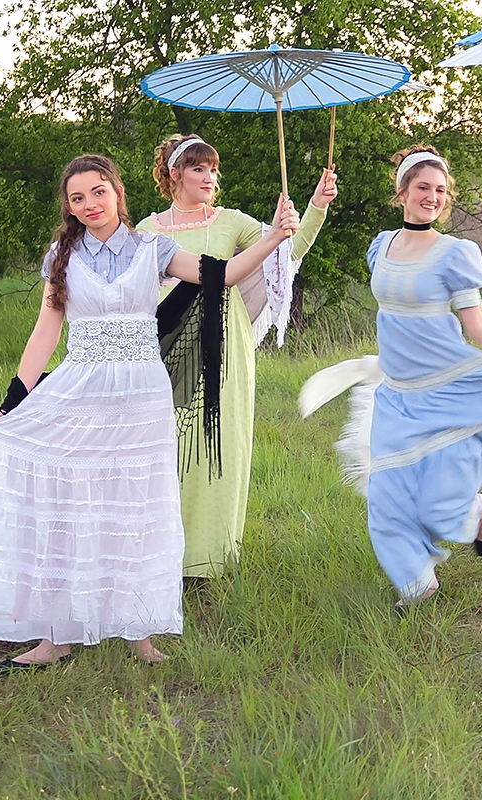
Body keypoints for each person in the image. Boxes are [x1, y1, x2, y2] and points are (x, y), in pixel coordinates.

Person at [0, 154, 299, 668]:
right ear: (69, 208)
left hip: (141, 393)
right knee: (70, 502)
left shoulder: (152, 248)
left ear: (117, 192)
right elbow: (46, 330)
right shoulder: (62, 256)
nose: (90, 204)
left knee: (138, 504)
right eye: (78, 198)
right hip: (82, 385)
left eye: (98, 192)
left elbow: (223, 276)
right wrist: (13, 401)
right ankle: (57, 638)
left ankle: (140, 633)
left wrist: (274, 237)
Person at [301, 145, 482, 608]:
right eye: (423, 188)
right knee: (385, 499)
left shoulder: (454, 253)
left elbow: (477, 325)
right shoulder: (380, 247)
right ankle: (417, 584)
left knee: (439, 505)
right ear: (402, 191)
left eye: (441, 190)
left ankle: (480, 509)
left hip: (447, 387)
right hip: (397, 394)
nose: (432, 197)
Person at [137, 134, 335, 578]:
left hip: (225, 346)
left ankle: (207, 565)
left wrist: (314, 208)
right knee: (167, 451)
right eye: (198, 169)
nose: (209, 178)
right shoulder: (147, 231)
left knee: (217, 449)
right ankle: (161, 559)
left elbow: (285, 254)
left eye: (212, 170)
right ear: (174, 175)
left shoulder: (232, 222)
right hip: (165, 348)